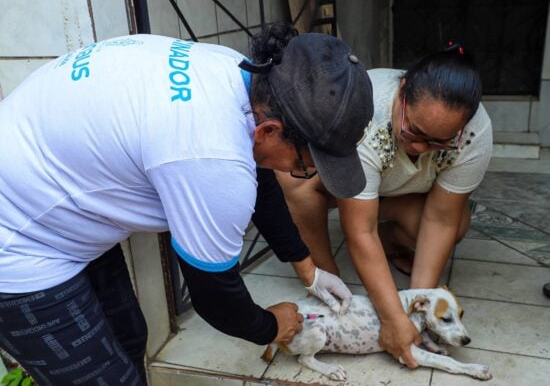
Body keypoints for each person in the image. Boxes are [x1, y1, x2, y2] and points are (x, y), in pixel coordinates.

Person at [0, 23, 374, 385]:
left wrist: (308, 269)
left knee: (130, 336)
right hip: (19, 243)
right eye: (306, 164)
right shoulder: (212, 156)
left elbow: (260, 180)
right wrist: (272, 326)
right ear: (270, 131)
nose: (301, 173)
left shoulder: (236, 74)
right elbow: (216, 299)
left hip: (53, 200)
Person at [276, 43, 493, 368]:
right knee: (298, 185)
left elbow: (441, 220)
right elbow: (359, 230)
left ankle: (390, 241)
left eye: (439, 142)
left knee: (458, 223)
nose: (420, 147)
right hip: (345, 188)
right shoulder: (367, 113)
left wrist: (417, 309)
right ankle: (330, 289)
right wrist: (391, 319)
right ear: (402, 91)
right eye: (414, 132)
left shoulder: (476, 134)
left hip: (398, 196)